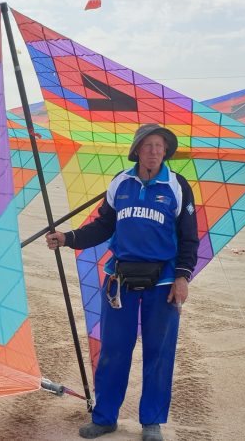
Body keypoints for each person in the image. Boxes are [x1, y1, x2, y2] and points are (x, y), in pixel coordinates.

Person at [46, 124, 199, 441]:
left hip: (163, 283)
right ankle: (105, 418)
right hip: (120, 281)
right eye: (148, 145)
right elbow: (103, 226)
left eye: (159, 146)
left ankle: (152, 422)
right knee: (114, 350)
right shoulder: (121, 183)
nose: (154, 151)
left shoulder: (177, 185)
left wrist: (182, 277)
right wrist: (68, 238)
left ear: (165, 151)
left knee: (159, 353)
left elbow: (188, 237)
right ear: (137, 150)